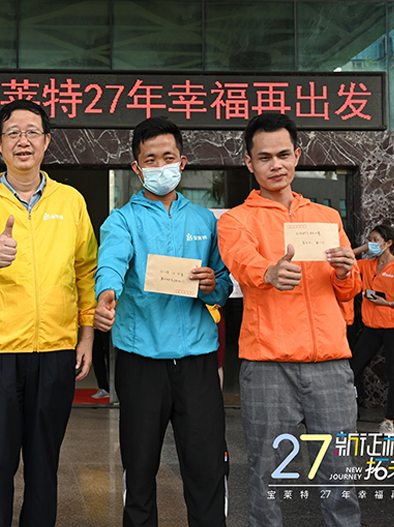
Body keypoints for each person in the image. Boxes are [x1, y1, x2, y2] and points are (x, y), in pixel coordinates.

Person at [216, 113, 361, 527]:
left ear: (297, 155)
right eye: (264, 158)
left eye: (283, 155)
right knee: (266, 476)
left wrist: (345, 272)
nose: (275, 165)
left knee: (340, 475)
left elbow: (346, 291)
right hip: (268, 365)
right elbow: (242, 263)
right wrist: (268, 272)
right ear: (249, 163)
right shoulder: (236, 220)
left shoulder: (327, 217)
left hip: (330, 364)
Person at [0, 99, 97, 527]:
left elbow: (86, 269)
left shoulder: (70, 201)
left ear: (47, 141)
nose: (23, 141)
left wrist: (86, 335)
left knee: (44, 464)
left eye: (32, 132)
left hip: (56, 349)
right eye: (13, 133)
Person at [93, 116, 231, 527]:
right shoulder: (122, 221)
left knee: (207, 470)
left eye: (168, 157)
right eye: (150, 160)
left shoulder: (205, 221)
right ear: (136, 168)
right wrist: (107, 292)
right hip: (141, 361)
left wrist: (212, 285)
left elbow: (223, 281)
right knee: (138, 473)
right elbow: (111, 262)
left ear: (182, 162)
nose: (160, 166)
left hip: (197, 362)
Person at [350, 225, 394, 435]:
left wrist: (389, 303)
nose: (371, 244)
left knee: (392, 373)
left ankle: (388, 421)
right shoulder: (367, 265)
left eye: (375, 240)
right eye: (369, 240)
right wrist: (365, 248)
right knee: (353, 369)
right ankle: (352, 413)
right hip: (371, 328)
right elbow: (344, 259)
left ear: (388, 243)